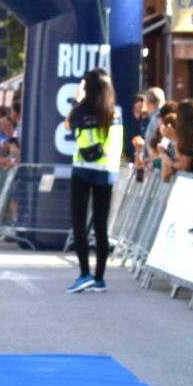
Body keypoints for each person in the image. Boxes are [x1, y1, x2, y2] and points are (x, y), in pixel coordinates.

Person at [66, 68, 121, 292]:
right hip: (106, 171)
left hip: (82, 169)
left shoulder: (80, 111)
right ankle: (99, 278)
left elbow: (68, 124)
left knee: (79, 223)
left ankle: (84, 274)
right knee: (101, 226)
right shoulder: (114, 114)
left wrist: (77, 99)